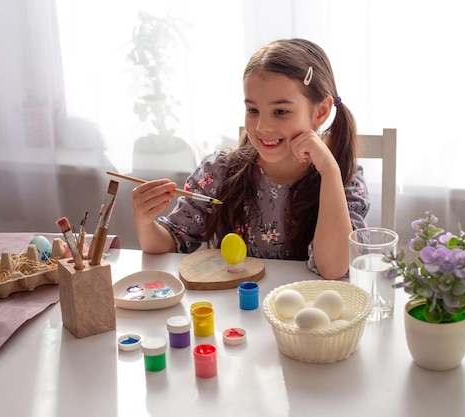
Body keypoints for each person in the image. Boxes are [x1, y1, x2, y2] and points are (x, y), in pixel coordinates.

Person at [132, 38, 369, 280]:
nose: (262, 127)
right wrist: (145, 220)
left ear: (320, 112)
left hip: (306, 314)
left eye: (281, 111)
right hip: (236, 311)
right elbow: (171, 243)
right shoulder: (219, 171)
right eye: (253, 110)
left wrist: (329, 171)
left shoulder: (342, 177)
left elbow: (333, 268)